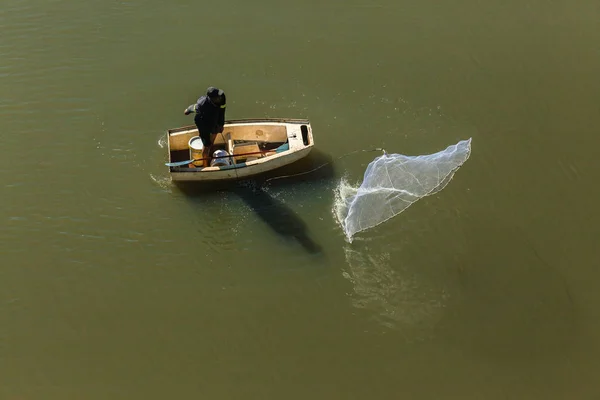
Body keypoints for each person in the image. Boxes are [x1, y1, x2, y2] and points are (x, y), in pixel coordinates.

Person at [184, 86, 227, 167]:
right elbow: (193, 107)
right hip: (203, 123)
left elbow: (222, 111)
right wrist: (187, 110)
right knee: (206, 145)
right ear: (212, 98)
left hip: (215, 119)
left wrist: (221, 124)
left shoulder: (222, 96)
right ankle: (205, 165)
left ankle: (210, 149)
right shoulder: (203, 105)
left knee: (214, 134)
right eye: (218, 97)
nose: (220, 98)